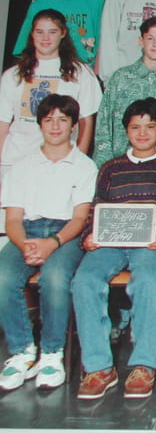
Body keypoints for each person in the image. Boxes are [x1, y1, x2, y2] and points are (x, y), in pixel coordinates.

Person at [72, 98, 156, 400]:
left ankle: (143, 365)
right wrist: (89, 236)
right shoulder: (110, 168)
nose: (142, 133)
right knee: (84, 281)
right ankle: (99, 367)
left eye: (150, 126)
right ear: (126, 131)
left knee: (148, 281)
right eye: (135, 127)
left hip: (151, 244)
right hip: (110, 243)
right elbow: (95, 209)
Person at [0, 95, 97, 391]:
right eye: (48, 120)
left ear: (73, 126)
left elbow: (79, 218)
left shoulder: (85, 166)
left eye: (63, 120)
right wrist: (26, 245)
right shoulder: (21, 166)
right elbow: (12, 219)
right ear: (40, 124)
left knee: (54, 277)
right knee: (3, 276)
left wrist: (52, 243)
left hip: (65, 233)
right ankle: (22, 351)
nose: (55, 126)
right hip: (26, 232)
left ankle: (52, 353)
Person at [0, 8, 102, 182]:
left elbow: (86, 122)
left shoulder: (81, 73)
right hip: (15, 161)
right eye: (39, 32)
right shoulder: (12, 75)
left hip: (59, 163)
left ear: (63, 33)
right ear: (32, 34)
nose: (45, 38)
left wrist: (77, 162)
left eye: (52, 32)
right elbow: (3, 123)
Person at [93, 16, 156, 166]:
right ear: (141, 41)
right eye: (150, 38)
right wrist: (106, 166)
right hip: (120, 165)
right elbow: (104, 124)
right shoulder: (121, 78)